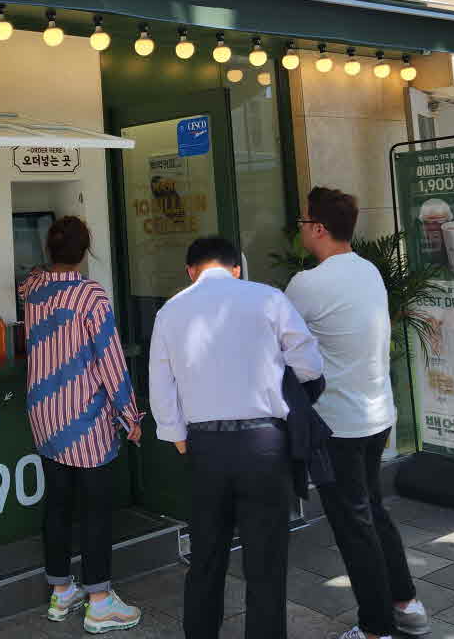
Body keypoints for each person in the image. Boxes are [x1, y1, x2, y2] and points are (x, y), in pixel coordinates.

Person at [149, 236, 323, 639]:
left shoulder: (170, 311)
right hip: (265, 444)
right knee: (266, 563)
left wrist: (176, 434)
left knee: (206, 556)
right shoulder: (269, 298)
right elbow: (309, 364)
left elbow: (160, 384)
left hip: (206, 446)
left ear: (190, 271)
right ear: (236, 269)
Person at [286, 187, 430, 639]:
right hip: (376, 413)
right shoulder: (368, 271)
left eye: (303, 222)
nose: (300, 230)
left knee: (354, 525)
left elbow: (279, 342)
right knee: (372, 510)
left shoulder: (307, 284)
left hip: (338, 423)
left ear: (318, 228)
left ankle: (375, 628)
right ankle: (406, 604)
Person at [21, 216, 144, 634]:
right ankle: (99, 602)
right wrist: (130, 415)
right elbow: (110, 359)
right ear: (85, 251)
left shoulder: (34, 288)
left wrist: (44, 264)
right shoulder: (91, 295)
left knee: (57, 504)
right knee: (95, 511)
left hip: (45, 416)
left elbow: (33, 275)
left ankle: (60, 593)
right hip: (85, 418)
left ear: (49, 249)